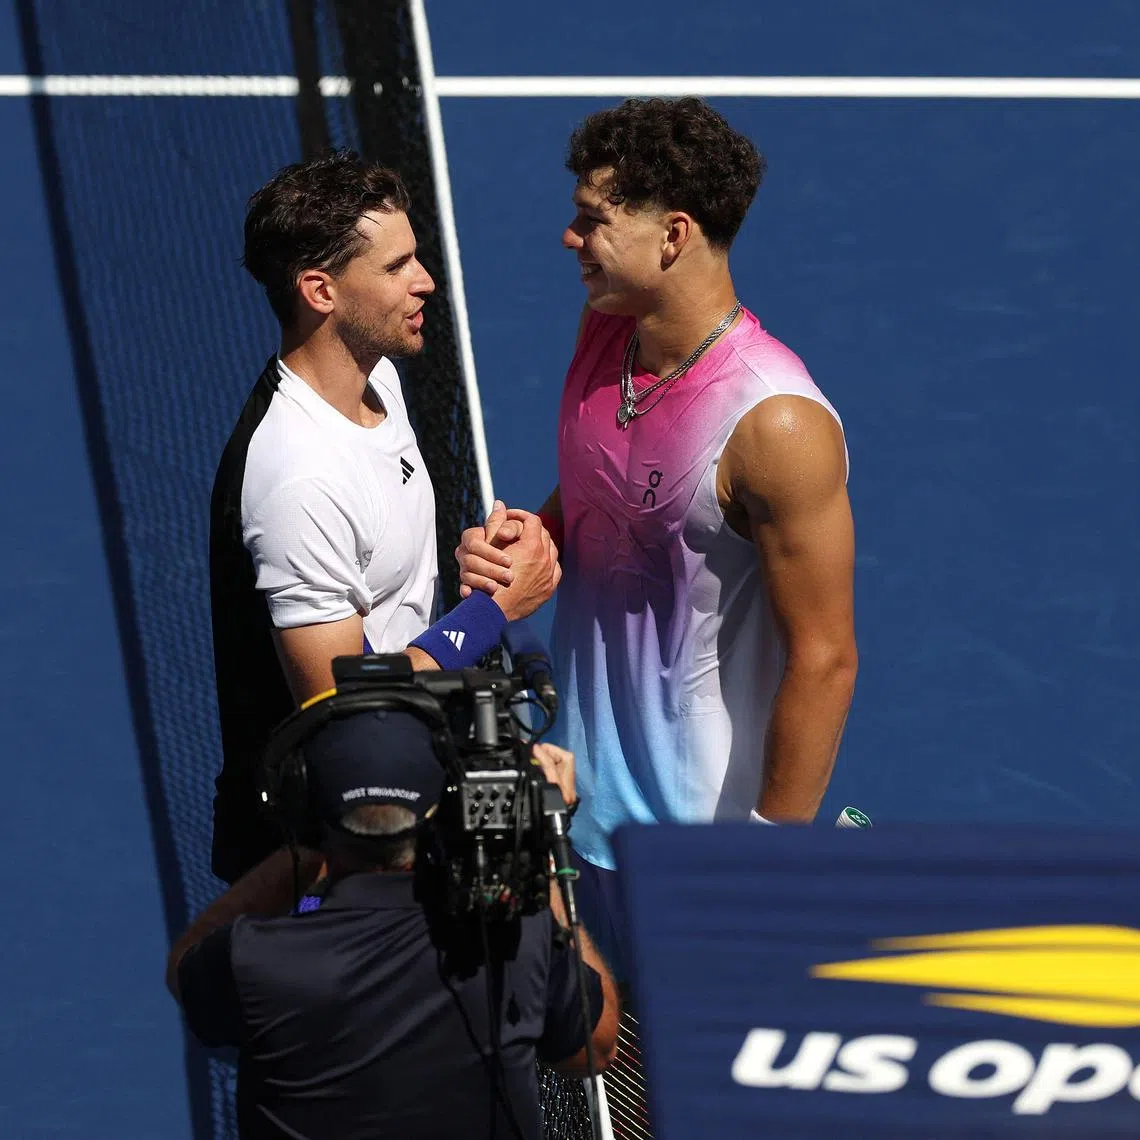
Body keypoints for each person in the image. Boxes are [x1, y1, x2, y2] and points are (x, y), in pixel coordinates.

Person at [457, 98, 858, 976]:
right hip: (576, 800)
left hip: (698, 848)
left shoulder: (776, 425)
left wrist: (764, 858)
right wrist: (531, 538)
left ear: (672, 236)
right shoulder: (608, 331)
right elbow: (604, 489)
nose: (571, 238)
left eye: (592, 220)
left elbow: (826, 656)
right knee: (590, 1071)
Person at [210, 151, 560, 884]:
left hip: (408, 783)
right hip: (328, 847)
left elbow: (381, 581)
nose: (424, 279)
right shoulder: (297, 478)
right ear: (320, 290)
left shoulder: (384, 384)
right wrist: (493, 613)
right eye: (398, 265)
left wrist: (476, 561)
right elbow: (339, 705)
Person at [167, 708, 619, 1140]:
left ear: (303, 808)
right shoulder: (518, 938)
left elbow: (184, 972)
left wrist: (303, 857)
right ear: (441, 812)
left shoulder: (250, 959)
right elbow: (596, 1049)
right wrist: (537, 849)